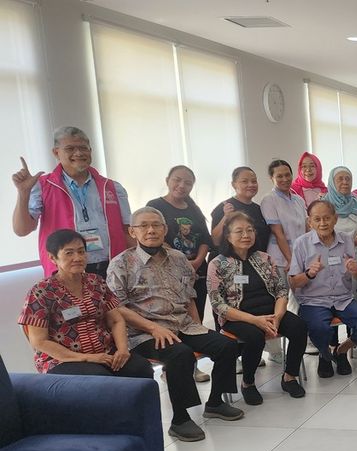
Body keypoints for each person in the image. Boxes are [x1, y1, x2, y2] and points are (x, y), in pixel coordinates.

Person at [107, 207, 243, 443]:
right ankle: (180, 419)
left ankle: (215, 402)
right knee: (181, 355)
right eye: (144, 226)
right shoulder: (121, 264)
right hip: (144, 333)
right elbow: (117, 308)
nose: (151, 230)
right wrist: (152, 328)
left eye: (156, 225)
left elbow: (190, 296)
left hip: (183, 325)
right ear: (133, 231)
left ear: (165, 229)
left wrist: (200, 328)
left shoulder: (179, 259)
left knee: (227, 345)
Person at [18, 229, 152, 378]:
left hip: (105, 353)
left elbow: (116, 320)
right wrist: (86, 358)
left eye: (81, 252)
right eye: (69, 253)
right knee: (100, 379)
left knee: (141, 368)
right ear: (52, 258)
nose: (77, 257)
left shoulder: (96, 282)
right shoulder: (41, 292)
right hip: (63, 360)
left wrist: (122, 350)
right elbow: (39, 341)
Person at [208, 212, 309, 405]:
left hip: (271, 313)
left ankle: (289, 376)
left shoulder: (264, 257)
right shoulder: (217, 264)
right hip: (237, 318)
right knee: (254, 336)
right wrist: (255, 320)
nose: (246, 235)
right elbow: (217, 304)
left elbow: (281, 290)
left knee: (299, 326)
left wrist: (277, 317)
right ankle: (248, 383)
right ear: (228, 237)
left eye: (249, 230)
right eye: (239, 231)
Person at [12, 126, 132, 278]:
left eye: (83, 148)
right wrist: (23, 193)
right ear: (56, 152)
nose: (79, 153)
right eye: (70, 148)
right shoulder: (43, 186)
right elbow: (22, 230)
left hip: (112, 269)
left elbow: (128, 231)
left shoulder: (112, 187)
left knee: (115, 303)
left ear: (90, 151)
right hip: (66, 272)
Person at [289, 201, 357, 378]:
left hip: (342, 299)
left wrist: (356, 271)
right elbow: (294, 283)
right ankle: (324, 354)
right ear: (310, 222)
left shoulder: (346, 240)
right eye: (317, 219)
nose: (323, 223)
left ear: (335, 219)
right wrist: (309, 274)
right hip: (313, 301)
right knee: (319, 328)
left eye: (327, 218)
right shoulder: (302, 243)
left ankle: (340, 350)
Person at [146, 166, 212, 321]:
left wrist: (197, 262)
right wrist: (182, 262)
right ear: (167, 180)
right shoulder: (155, 206)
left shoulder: (194, 209)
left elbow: (205, 239)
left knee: (197, 318)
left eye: (188, 183)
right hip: (169, 269)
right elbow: (155, 237)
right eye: (177, 180)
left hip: (198, 271)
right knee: (175, 317)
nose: (182, 186)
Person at [262, 160, 309, 278]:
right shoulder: (269, 200)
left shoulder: (299, 200)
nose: (285, 179)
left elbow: (307, 229)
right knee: (284, 295)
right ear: (271, 178)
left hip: (301, 257)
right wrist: (291, 261)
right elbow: (278, 233)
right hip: (281, 260)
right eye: (279, 176)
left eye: (287, 175)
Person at [210, 166, 271, 256]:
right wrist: (226, 217)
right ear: (234, 184)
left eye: (254, 181)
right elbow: (215, 241)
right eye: (244, 181)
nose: (251, 185)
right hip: (229, 263)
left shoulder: (259, 209)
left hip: (256, 262)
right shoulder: (224, 206)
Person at [324, 166, 357, 254]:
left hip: (354, 252)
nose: (345, 182)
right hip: (330, 252)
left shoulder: (356, 203)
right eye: (340, 179)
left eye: (348, 179)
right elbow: (316, 231)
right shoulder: (323, 205)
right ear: (332, 183)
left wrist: (354, 243)